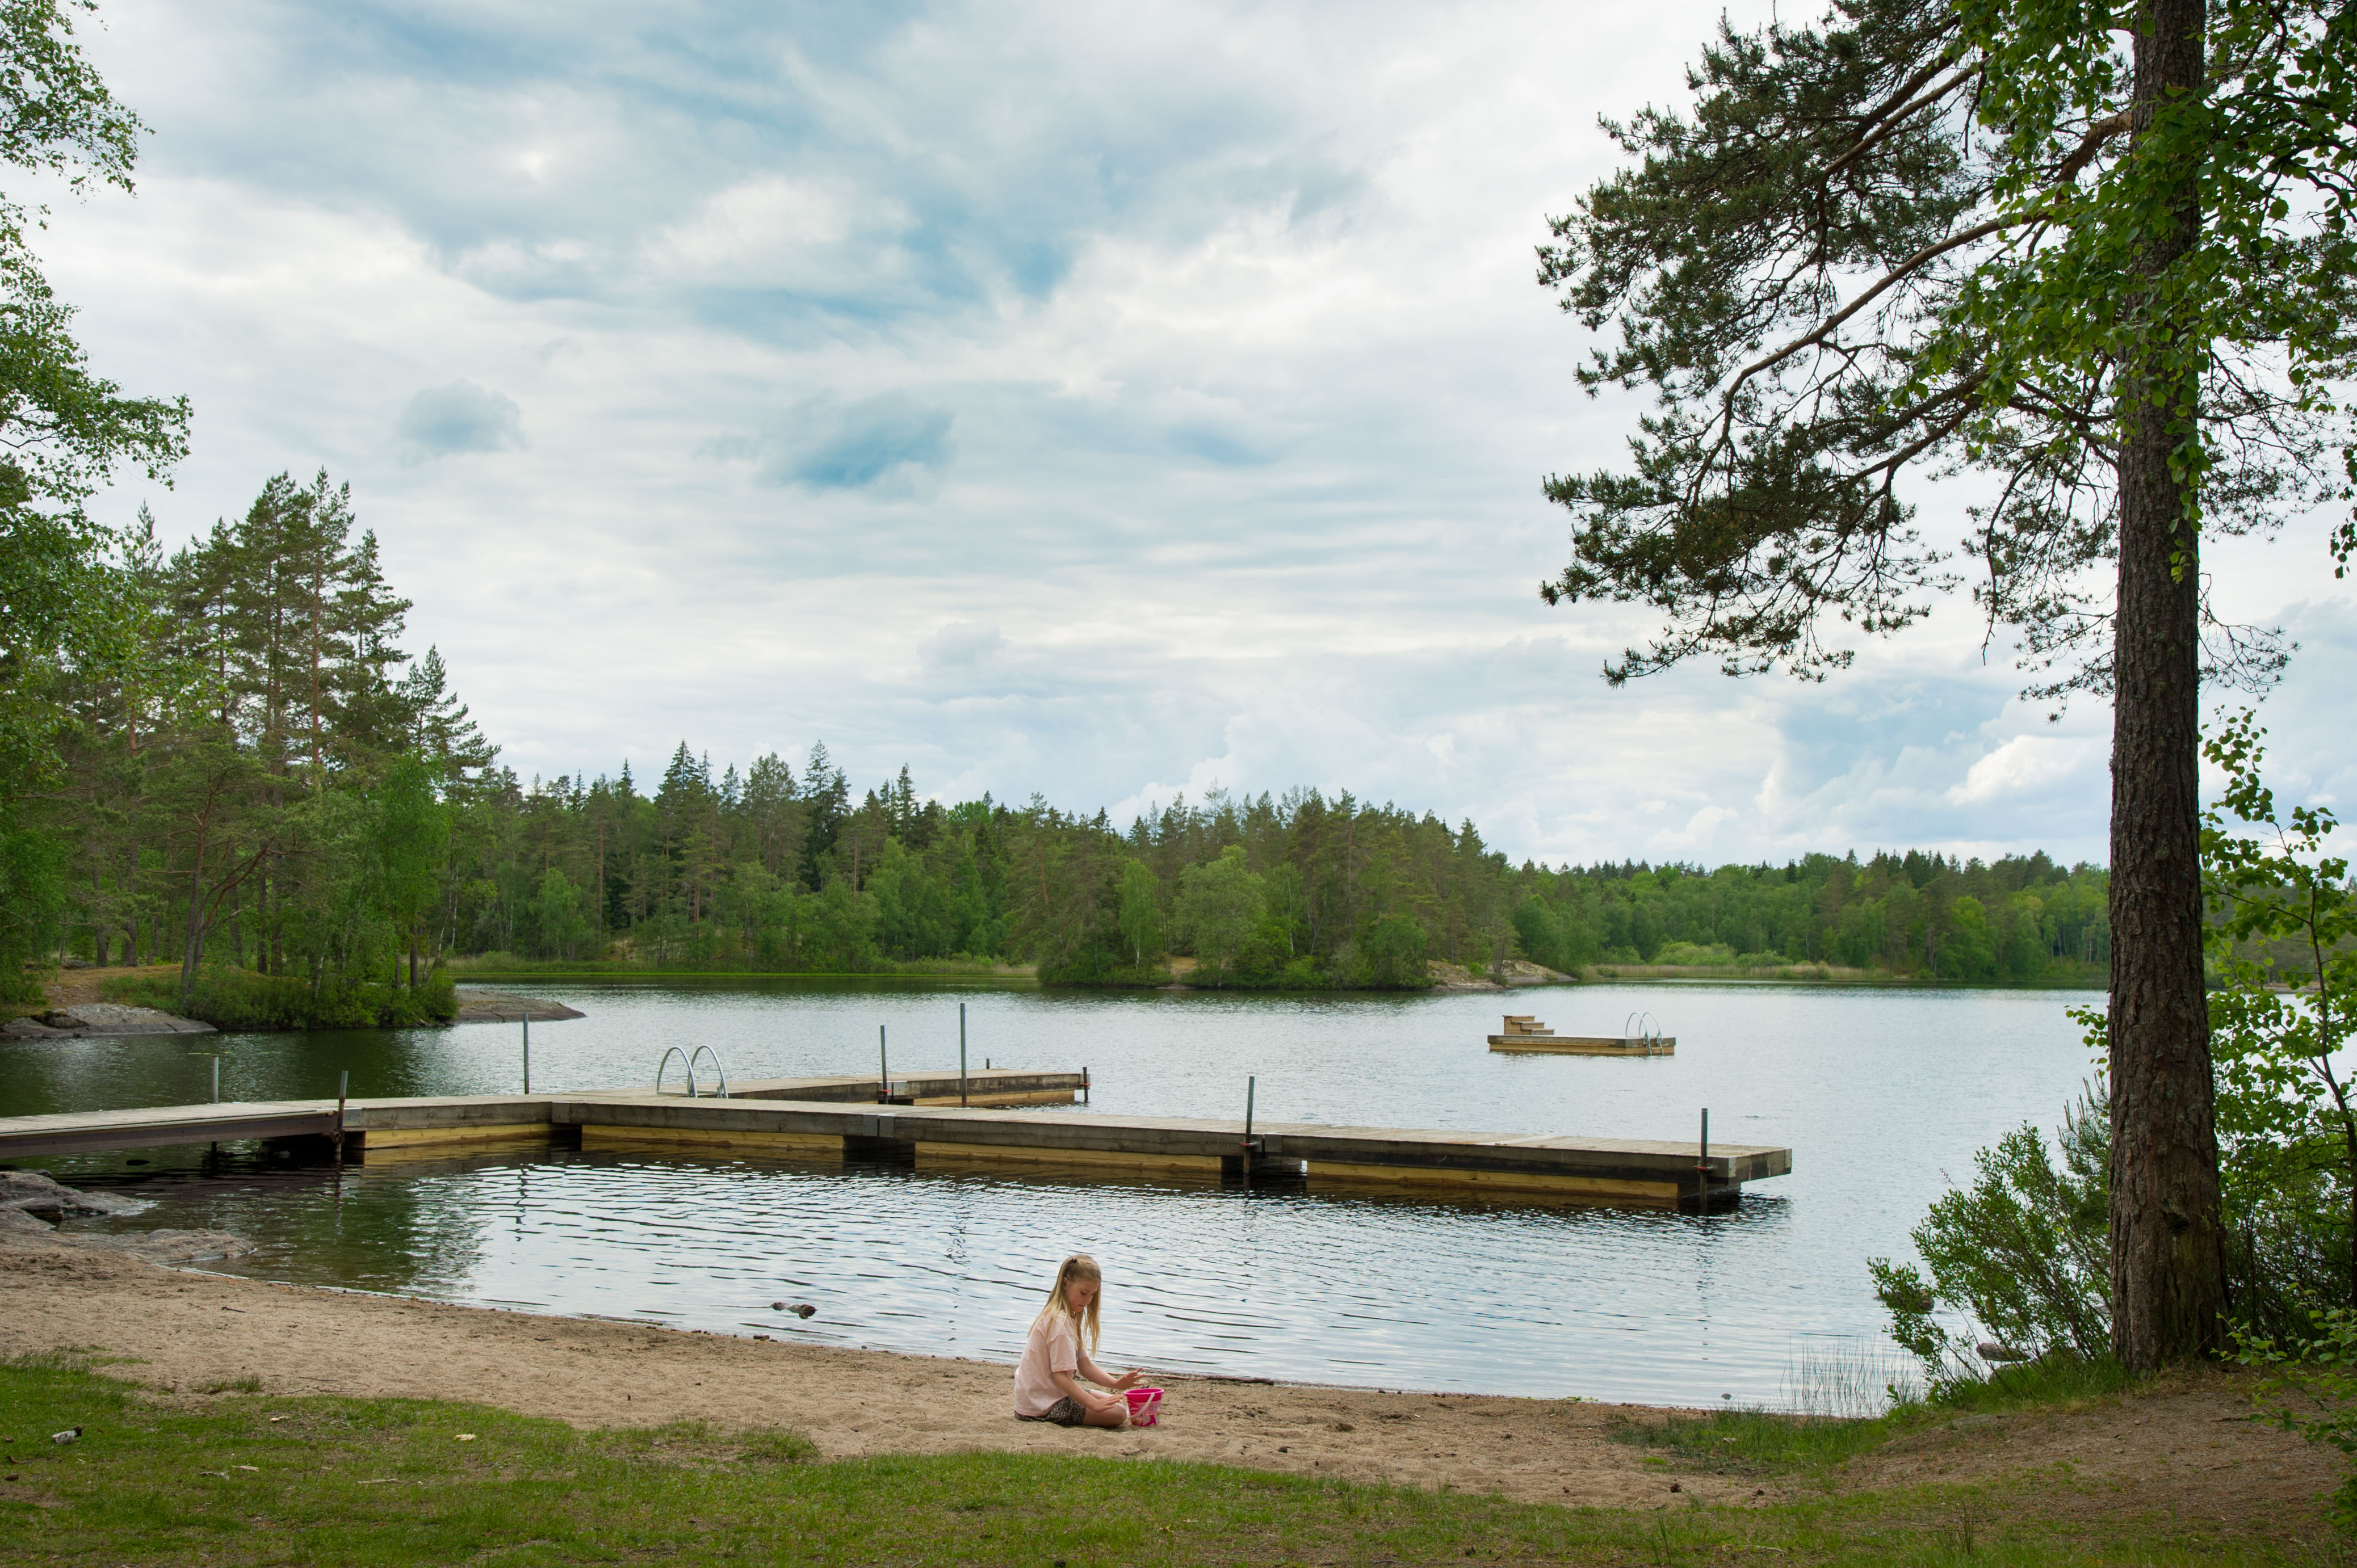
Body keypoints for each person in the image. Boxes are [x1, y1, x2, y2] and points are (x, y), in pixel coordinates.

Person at [1012, 1253, 1143, 1427]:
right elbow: (1061, 1377)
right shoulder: (1060, 1323)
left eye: (1092, 1294)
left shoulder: (1070, 1318)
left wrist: (1117, 1383)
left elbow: (1084, 1364)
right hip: (1041, 1406)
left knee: (1117, 1403)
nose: (1088, 1301)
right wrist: (1093, 1404)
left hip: (1047, 1394)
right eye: (1083, 1293)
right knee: (1118, 1413)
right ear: (1065, 1284)